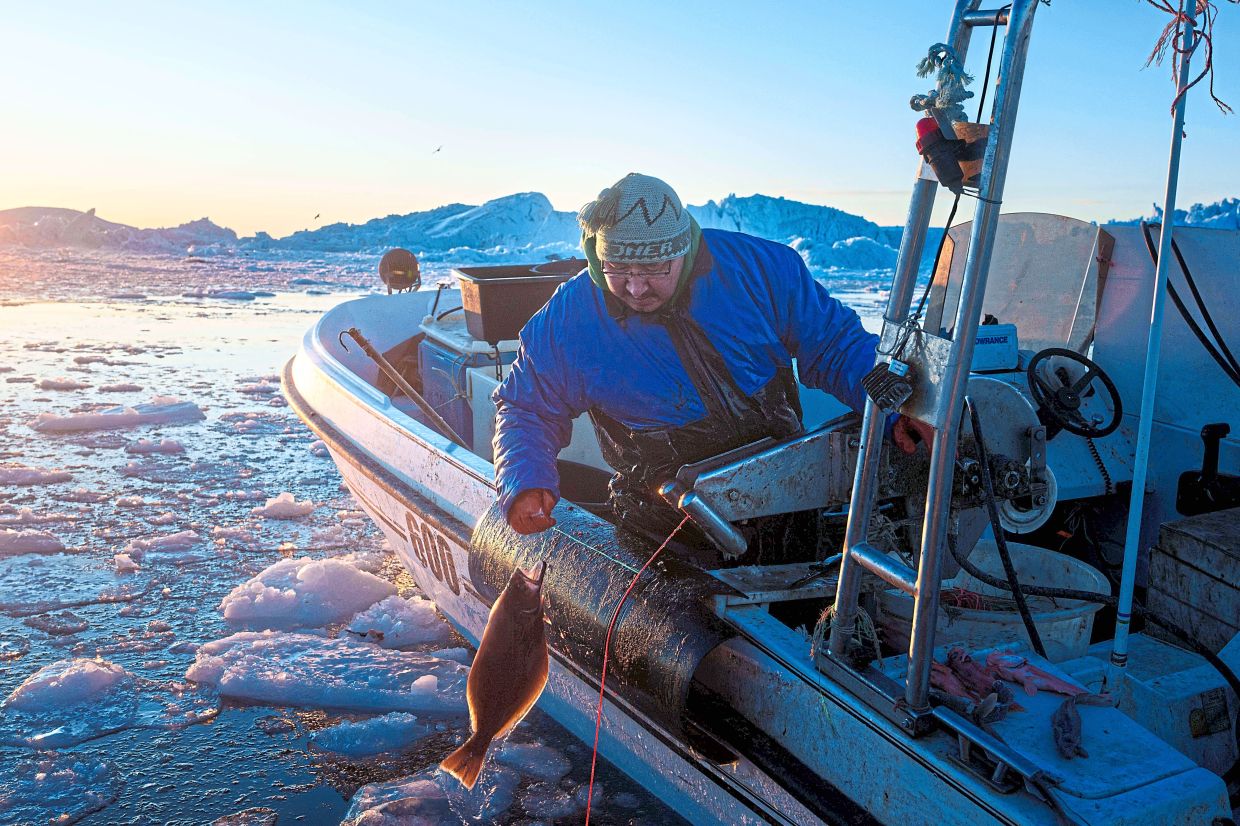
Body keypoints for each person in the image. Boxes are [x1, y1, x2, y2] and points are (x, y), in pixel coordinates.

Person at [492, 173, 928, 554]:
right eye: (617, 268)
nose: (636, 288)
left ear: (684, 250)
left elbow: (836, 345)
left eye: (654, 268)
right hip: (662, 516)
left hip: (784, 491)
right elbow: (528, 406)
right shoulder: (571, 317)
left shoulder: (762, 270)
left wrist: (895, 408)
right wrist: (525, 480)